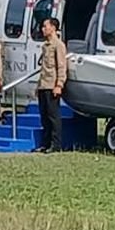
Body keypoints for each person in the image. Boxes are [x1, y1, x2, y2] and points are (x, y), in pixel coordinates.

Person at [37, 18, 68, 153]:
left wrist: (59, 84)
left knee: (53, 116)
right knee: (44, 116)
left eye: (46, 26)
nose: (43, 29)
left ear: (53, 28)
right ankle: (45, 143)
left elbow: (61, 66)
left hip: (52, 85)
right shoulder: (45, 46)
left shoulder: (58, 45)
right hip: (43, 85)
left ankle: (56, 144)